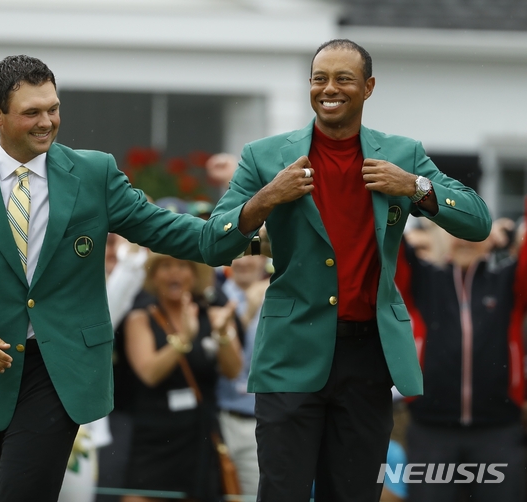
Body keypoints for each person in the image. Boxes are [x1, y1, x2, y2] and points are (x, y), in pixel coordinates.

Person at [198, 38, 492, 502]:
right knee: (281, 492)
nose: (329, 89)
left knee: (355, 493)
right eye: (319, 79)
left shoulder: (403, 153)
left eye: (343, 79)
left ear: (368, 87)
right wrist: (266, 198)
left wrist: (413, 185)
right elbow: (214, 242)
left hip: (368, 356)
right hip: (290, 352)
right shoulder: (264, 155)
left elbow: (477, 221)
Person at [0, 55, 207, 502]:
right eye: (32, 112)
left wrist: (247, 232)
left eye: (53, 108)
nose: (47, 121)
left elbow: (162, 227)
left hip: (61, 367)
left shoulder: (95, 172)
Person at [395, 217, 527, 501]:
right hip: (431, 429)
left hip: (499, 430)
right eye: (457, 230)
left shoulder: (508, 283)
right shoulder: (424, 279)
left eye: (474, 231)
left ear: (492, 238)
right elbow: (388, 243)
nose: (465, 239)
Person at [121, 253, 242, 502]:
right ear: (154, 276)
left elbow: (234, 370)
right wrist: (183, 339)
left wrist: (222, 335)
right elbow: (149, 373)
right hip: (154, 437)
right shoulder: (140, 317)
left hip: (199, 435)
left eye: (182, 266)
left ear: (195, 275)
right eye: (165, 266)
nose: (174, 273)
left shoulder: (213, 315)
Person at [217, 254, 269, 496]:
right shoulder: (215, 294)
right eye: (238, 254)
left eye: (252, 254)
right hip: (219, 417)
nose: (244, 261)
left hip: (259, 418)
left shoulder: (278, 295)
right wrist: (247, 311)